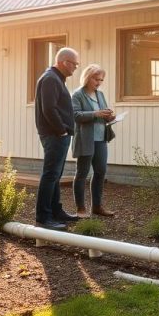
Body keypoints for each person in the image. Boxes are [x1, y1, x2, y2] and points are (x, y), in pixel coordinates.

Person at [33, 47, 81, 230]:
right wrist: (61, 130)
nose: (75, 68)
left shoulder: (55, 78)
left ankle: (56, 210)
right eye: (74, 64)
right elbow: (49, 109)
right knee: (51, 174)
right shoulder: (51, 79)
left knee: (56, 175)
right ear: (63, 62)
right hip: (54, 135)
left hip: (58, 135)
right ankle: (44, 217)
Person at [72, 64, 117, 216]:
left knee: (100, 172)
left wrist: (109, 116)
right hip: (85, 140)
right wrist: (96, 114)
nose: (98, 82)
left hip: (101, 139)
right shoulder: (77, 95)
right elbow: (76, 116)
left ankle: (97, 207)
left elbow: (102, 113)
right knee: (82, 173)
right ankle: (80, 208)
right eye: (96, 79)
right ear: (87, 77)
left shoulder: (100, 94)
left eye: (101, 80)